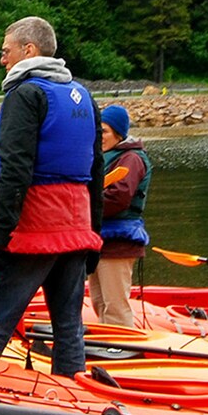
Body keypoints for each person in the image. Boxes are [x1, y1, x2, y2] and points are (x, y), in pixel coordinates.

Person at [0, 16, 104, 376]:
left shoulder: (25, 94)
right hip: (77, 227)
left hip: (37, 228)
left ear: (29, 50)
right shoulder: (83, 96)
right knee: (68, 329)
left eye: (6, 52)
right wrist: (95, 236)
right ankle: (74, 395)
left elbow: (16, 169)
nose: (2, 60)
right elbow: (96, 170)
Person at [90, 104, 151, 327]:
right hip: (100, 240)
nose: (100, 136)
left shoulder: (131, 159)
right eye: (97, 131)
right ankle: (108, 346)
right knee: (98, 301)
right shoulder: (104, 157)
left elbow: (118, 198)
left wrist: (83, 208)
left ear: (118, 133)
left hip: (119, 241)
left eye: (104, 131)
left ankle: (122, 349)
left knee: (115, 304)